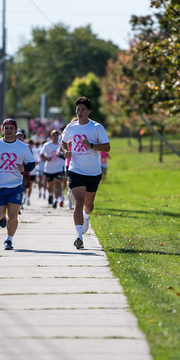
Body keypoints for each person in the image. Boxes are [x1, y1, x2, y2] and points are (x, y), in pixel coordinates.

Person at [61, 96, 110, 249]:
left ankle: (86, 217)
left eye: (83, 109)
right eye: (78, 109)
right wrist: (65, 151)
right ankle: (79, 237)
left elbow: (107, 147)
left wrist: (90, 145)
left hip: (93, 172)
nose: (80, 112)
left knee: (88, 205)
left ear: (89, 111)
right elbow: (63, 142)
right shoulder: (71, 127)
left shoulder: (97, 127)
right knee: (78, 202)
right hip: (76, 169)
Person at [0, 118, 35, 250]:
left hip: (15, 186)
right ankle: (1, 220)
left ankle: (9, 240)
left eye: (11, 128)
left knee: (13, 215)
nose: (9, 131)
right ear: (2, 129)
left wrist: (24, 168)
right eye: (6, 128)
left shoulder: (23, 147)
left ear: (16, 130)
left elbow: (31, 163)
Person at [40, 130, 64, 209]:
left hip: (59, 168)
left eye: (56, 135)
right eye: (54, 135)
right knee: (49, 185)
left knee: (57, 184)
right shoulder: (47, 145)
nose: (55, 137)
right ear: (51, 136)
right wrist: (46, 158)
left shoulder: (61, 145)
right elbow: (41, 154)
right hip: (49, 169)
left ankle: (56, 200)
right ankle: (50, 194)